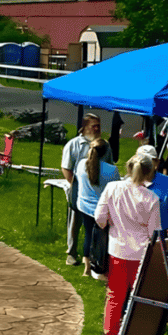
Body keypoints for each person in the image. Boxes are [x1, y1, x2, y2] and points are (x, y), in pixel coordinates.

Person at [94, 152, 162, 335]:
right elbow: (154, 233)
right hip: (141, 253)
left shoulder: (113, 188)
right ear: (150, 172)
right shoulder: (152, 198)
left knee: (115, 295)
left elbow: (99, 217)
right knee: (139, 298)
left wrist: (113, 224)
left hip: (118, 249)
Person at [61, 112, 110, 266]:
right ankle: (72, 253)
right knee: (75, 222)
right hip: (78, 190)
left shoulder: (105, 146)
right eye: (93, 126)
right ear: (84, 127)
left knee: (96, 226)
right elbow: (66, 168)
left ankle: (94, 256)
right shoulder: (74, 144)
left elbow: (109, 165)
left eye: (98, 126)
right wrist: (76, 186)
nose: (97, 129)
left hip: (99, 192)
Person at [74, 138, 120, 278]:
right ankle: (101, 266)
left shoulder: (82, 164)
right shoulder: (112, 170)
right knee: (103, 238)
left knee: (88, 234)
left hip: (85, 206)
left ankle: (87, 268)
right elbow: (116, 188)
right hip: (103, 209)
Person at [136, 144, 168, 236]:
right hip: (136, 237)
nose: (144, 164)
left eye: (148, 161)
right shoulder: (128, 183)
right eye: (141, 161)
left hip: (161, 236)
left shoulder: (167, 182)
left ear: (156, 163)